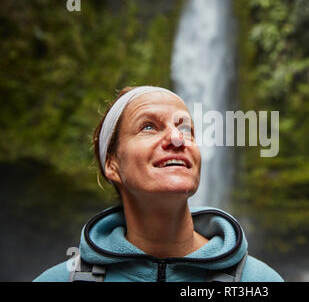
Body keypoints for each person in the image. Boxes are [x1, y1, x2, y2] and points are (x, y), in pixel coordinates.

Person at [33, 86, 283, 282]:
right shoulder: (59, 279)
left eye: (186, 129)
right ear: (112, 164)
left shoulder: (260, 281)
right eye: (149, 127)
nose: (177, 138)